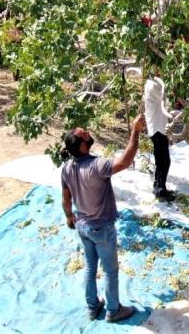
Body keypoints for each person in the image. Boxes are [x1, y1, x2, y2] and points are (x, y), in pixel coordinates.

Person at [60, 115, 146, 323]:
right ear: (82, 146)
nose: (87, 133)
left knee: (90, 267)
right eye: (84, 134)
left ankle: (92, 306)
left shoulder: (67, 168)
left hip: (83, 226)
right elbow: (125, 161)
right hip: (101, 229)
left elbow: (66, 199)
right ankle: (113, 310)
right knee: (110, 271)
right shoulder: (97, 166)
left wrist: (70, 217)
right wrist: (135, 131)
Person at [143, 75, 176, 202]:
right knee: (164, 161)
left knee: (160, 160)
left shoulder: (150, 84)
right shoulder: (154, 86)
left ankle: (158, 186)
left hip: (156, 128)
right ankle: (160, 190)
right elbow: (165, 99)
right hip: (158, 129)